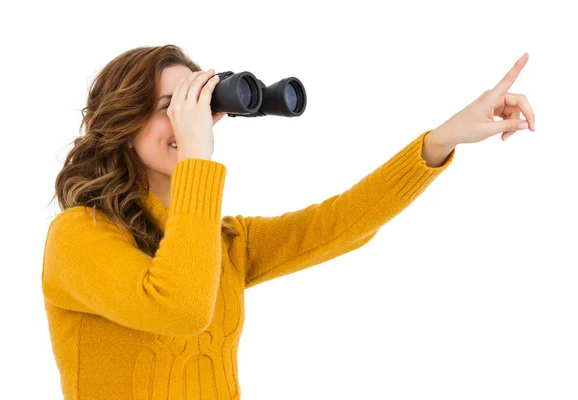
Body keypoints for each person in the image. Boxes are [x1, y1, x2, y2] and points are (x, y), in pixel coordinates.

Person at [41, 45, 535, 399]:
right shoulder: (78, 237)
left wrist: (442, 139)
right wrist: (199, 161)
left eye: (197, 108)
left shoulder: (222, 240)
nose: (185, 125)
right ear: (122, 123)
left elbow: (340, 223)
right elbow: (181, 307)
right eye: (170, 108)